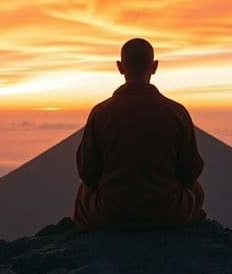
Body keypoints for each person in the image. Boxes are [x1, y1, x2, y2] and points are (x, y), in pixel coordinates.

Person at [73, 38, 207, 231]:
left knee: (83, 192)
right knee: (197, 190)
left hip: (111, 214)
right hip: (168, 213)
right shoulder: (177, 112)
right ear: (154, 67)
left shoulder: (100, 113)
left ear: (120, 67)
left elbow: (87, 172)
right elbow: (191, 171)